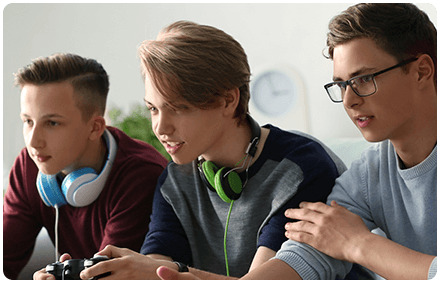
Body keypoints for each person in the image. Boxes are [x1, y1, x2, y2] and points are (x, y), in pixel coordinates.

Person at [77, 20, 347, 280]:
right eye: (153, 108)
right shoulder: (174, 180)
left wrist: (158, 272)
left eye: (178, 108)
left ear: (228, 100)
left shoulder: (303, 168)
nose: (160, 127)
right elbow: (160, 263)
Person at [276, 3, 436, 280]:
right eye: (341, 84)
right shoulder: (368, 172)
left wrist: (358, 244)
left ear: (421, 71)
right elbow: (309, 254)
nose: (349, 100)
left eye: (364, 78)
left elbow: (346, 240)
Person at [3, 53, 168, 280]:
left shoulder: (141, 175)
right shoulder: (28, 166)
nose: (33, 141)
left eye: (52, 123)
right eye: (28, 121)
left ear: (95, 127)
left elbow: (104, 275)